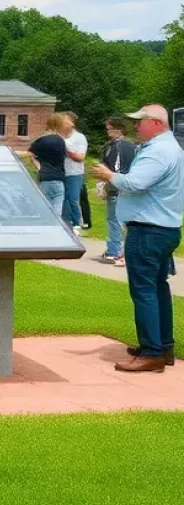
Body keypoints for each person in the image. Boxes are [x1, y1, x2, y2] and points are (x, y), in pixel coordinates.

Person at [92, 104, 184, 373]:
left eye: (139, 122)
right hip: (162, 227)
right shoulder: (170, 148)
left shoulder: (158, 151)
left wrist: (108, 175)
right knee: (157, 288)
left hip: (147, 229)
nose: (135, 126)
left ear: (155, 123)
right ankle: (162, 346)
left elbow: (135, 183)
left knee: (143, 290)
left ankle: (152, 352)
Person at [97, 116, 136, 266]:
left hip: (117, 187)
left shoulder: (118, 146)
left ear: (119, 129)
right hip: (124, 187)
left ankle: (114, 251)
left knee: (115, 220)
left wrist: (108, 184)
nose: (108, 133)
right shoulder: (131, 146)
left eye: (110, 129)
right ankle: (117, 251)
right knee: (121, 220)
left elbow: (116, 169)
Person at [28, 114, 71, 213]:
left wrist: (39, 166)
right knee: (57, 212)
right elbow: (64, 157)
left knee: (45, 211)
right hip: (59, 178)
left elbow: (30, 154)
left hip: (45, 177)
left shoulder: (41, 140)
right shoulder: (61, 141)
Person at [61, 111, 89, 234]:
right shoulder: (60, 136)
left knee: (73, 198)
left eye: (65, 120)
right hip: (61, 172)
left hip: (74, 173)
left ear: (72, 123)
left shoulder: (79, 137)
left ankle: (76, 222)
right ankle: (65, 222)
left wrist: (66, 149)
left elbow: (80, 157)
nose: (62, 122)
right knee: (63, 199)